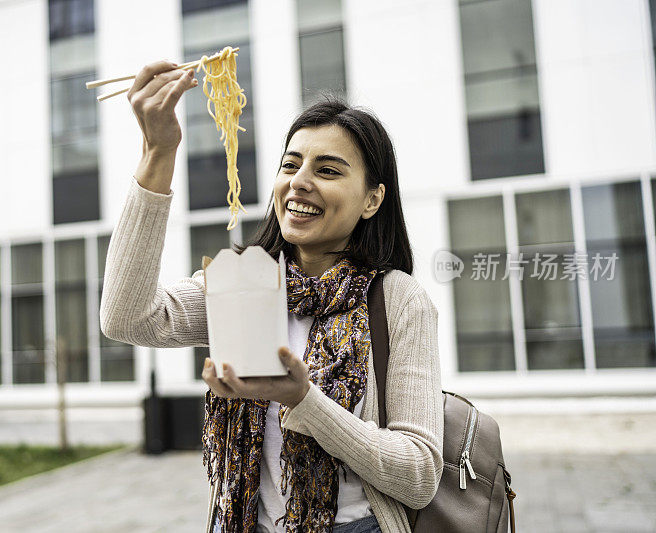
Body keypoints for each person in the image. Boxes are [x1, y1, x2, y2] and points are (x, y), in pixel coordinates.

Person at [100, 60, 444, 533]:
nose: (299, 181)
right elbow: (128, 318)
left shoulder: (398, 299)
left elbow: (419, 474)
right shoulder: (244, 281)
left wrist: (303, 399)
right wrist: (158, 153)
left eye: (327, 169)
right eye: (290, 164)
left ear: (372, 199)